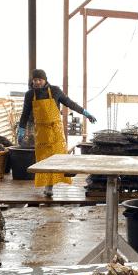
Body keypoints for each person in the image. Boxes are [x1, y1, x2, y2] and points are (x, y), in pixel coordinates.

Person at [18, 68, 96, 197]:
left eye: (40, 79)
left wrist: (85, 113)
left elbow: (70, 103)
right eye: (35, 80)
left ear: (45, 79)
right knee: (43, 160)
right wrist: (21, 130)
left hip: (55, 132)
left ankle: (50, 186)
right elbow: (25, 114)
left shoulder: (55, 90)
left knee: (57, 158)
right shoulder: (30, 94)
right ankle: (47, 185)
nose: (37, 82)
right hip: (41, 132)